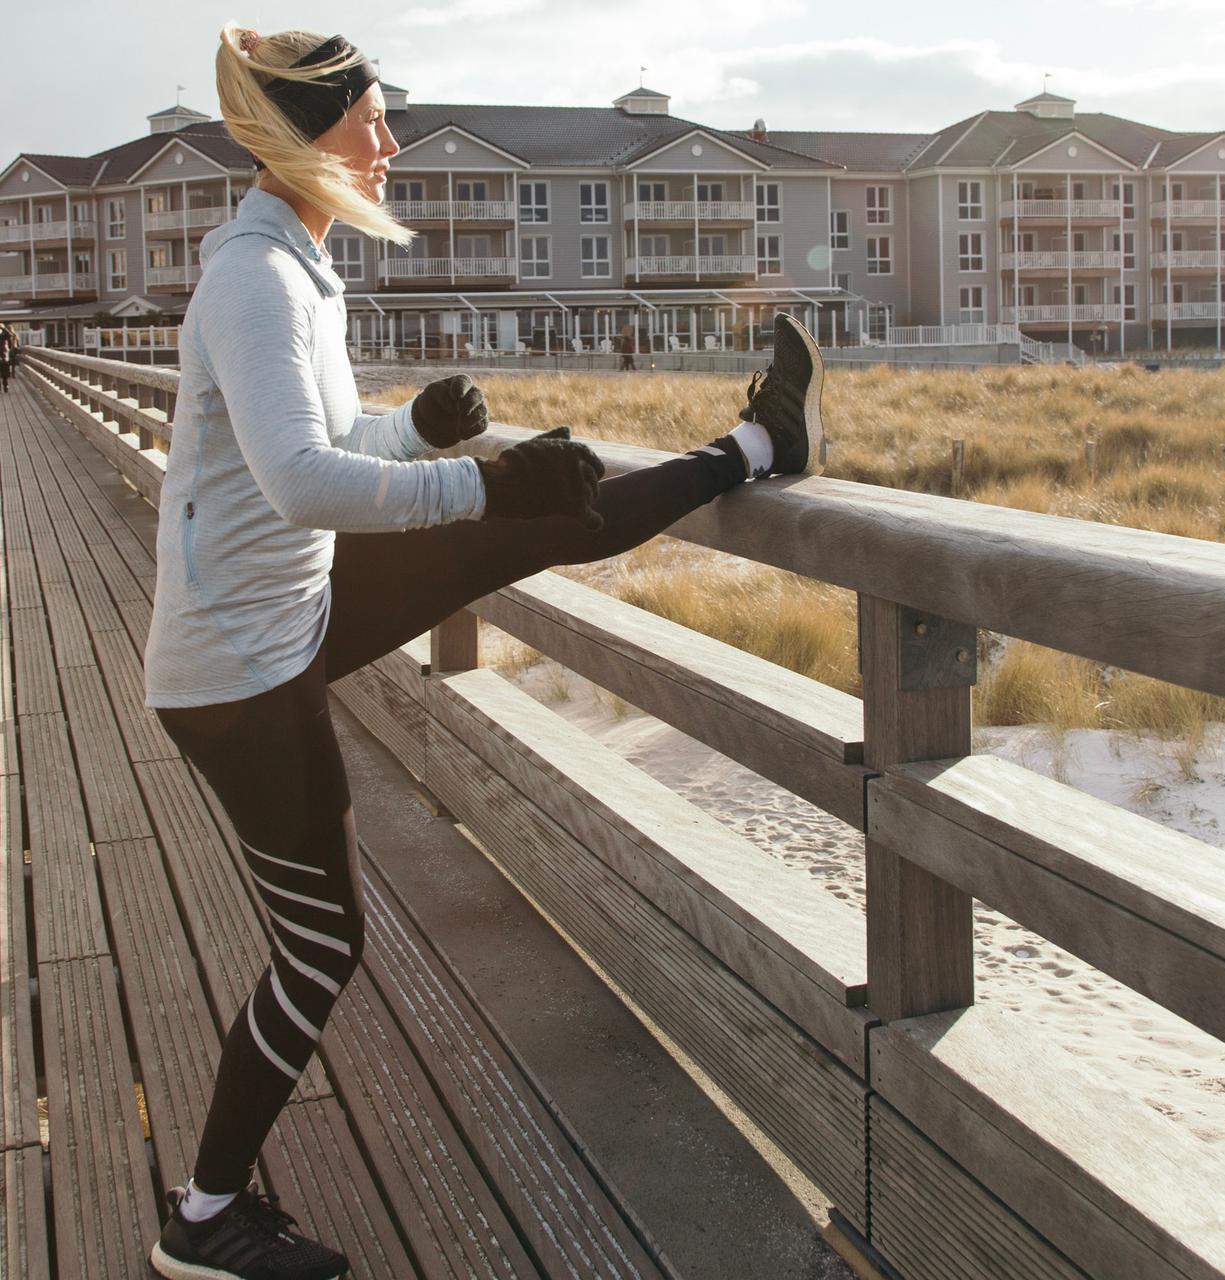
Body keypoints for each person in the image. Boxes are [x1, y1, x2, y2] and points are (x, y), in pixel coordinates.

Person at [146, 25, 824, 1280]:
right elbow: (296, 479)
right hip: (240, 666)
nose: (391, 144)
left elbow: (310, 441)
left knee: (537, 514)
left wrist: (412, 432)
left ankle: (758, 447)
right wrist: (475, 484)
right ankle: (199, 1220)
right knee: (322, 947)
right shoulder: (253, 277)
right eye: (371, 121)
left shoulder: (289, 264)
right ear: (306, 140)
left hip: (276, 615)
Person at [0, 323, 15, 393]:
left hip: (4, 355)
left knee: (4, 372)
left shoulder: (4, 335)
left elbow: (10, 335)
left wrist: (3, 328)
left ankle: (5, 385)